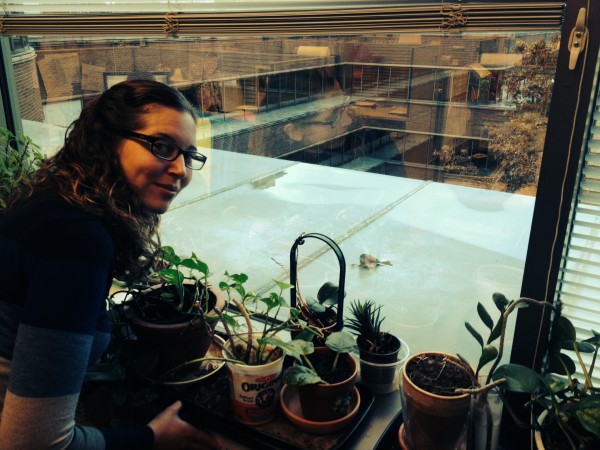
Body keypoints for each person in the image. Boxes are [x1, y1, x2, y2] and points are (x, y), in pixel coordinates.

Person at [0, 80, 219, 449]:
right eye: (162, 146)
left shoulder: (55, 202)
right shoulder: (76, 239)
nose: (181, 169)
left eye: (189, 155)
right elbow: (34, 443)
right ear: (107, 140)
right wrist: (151, 437)